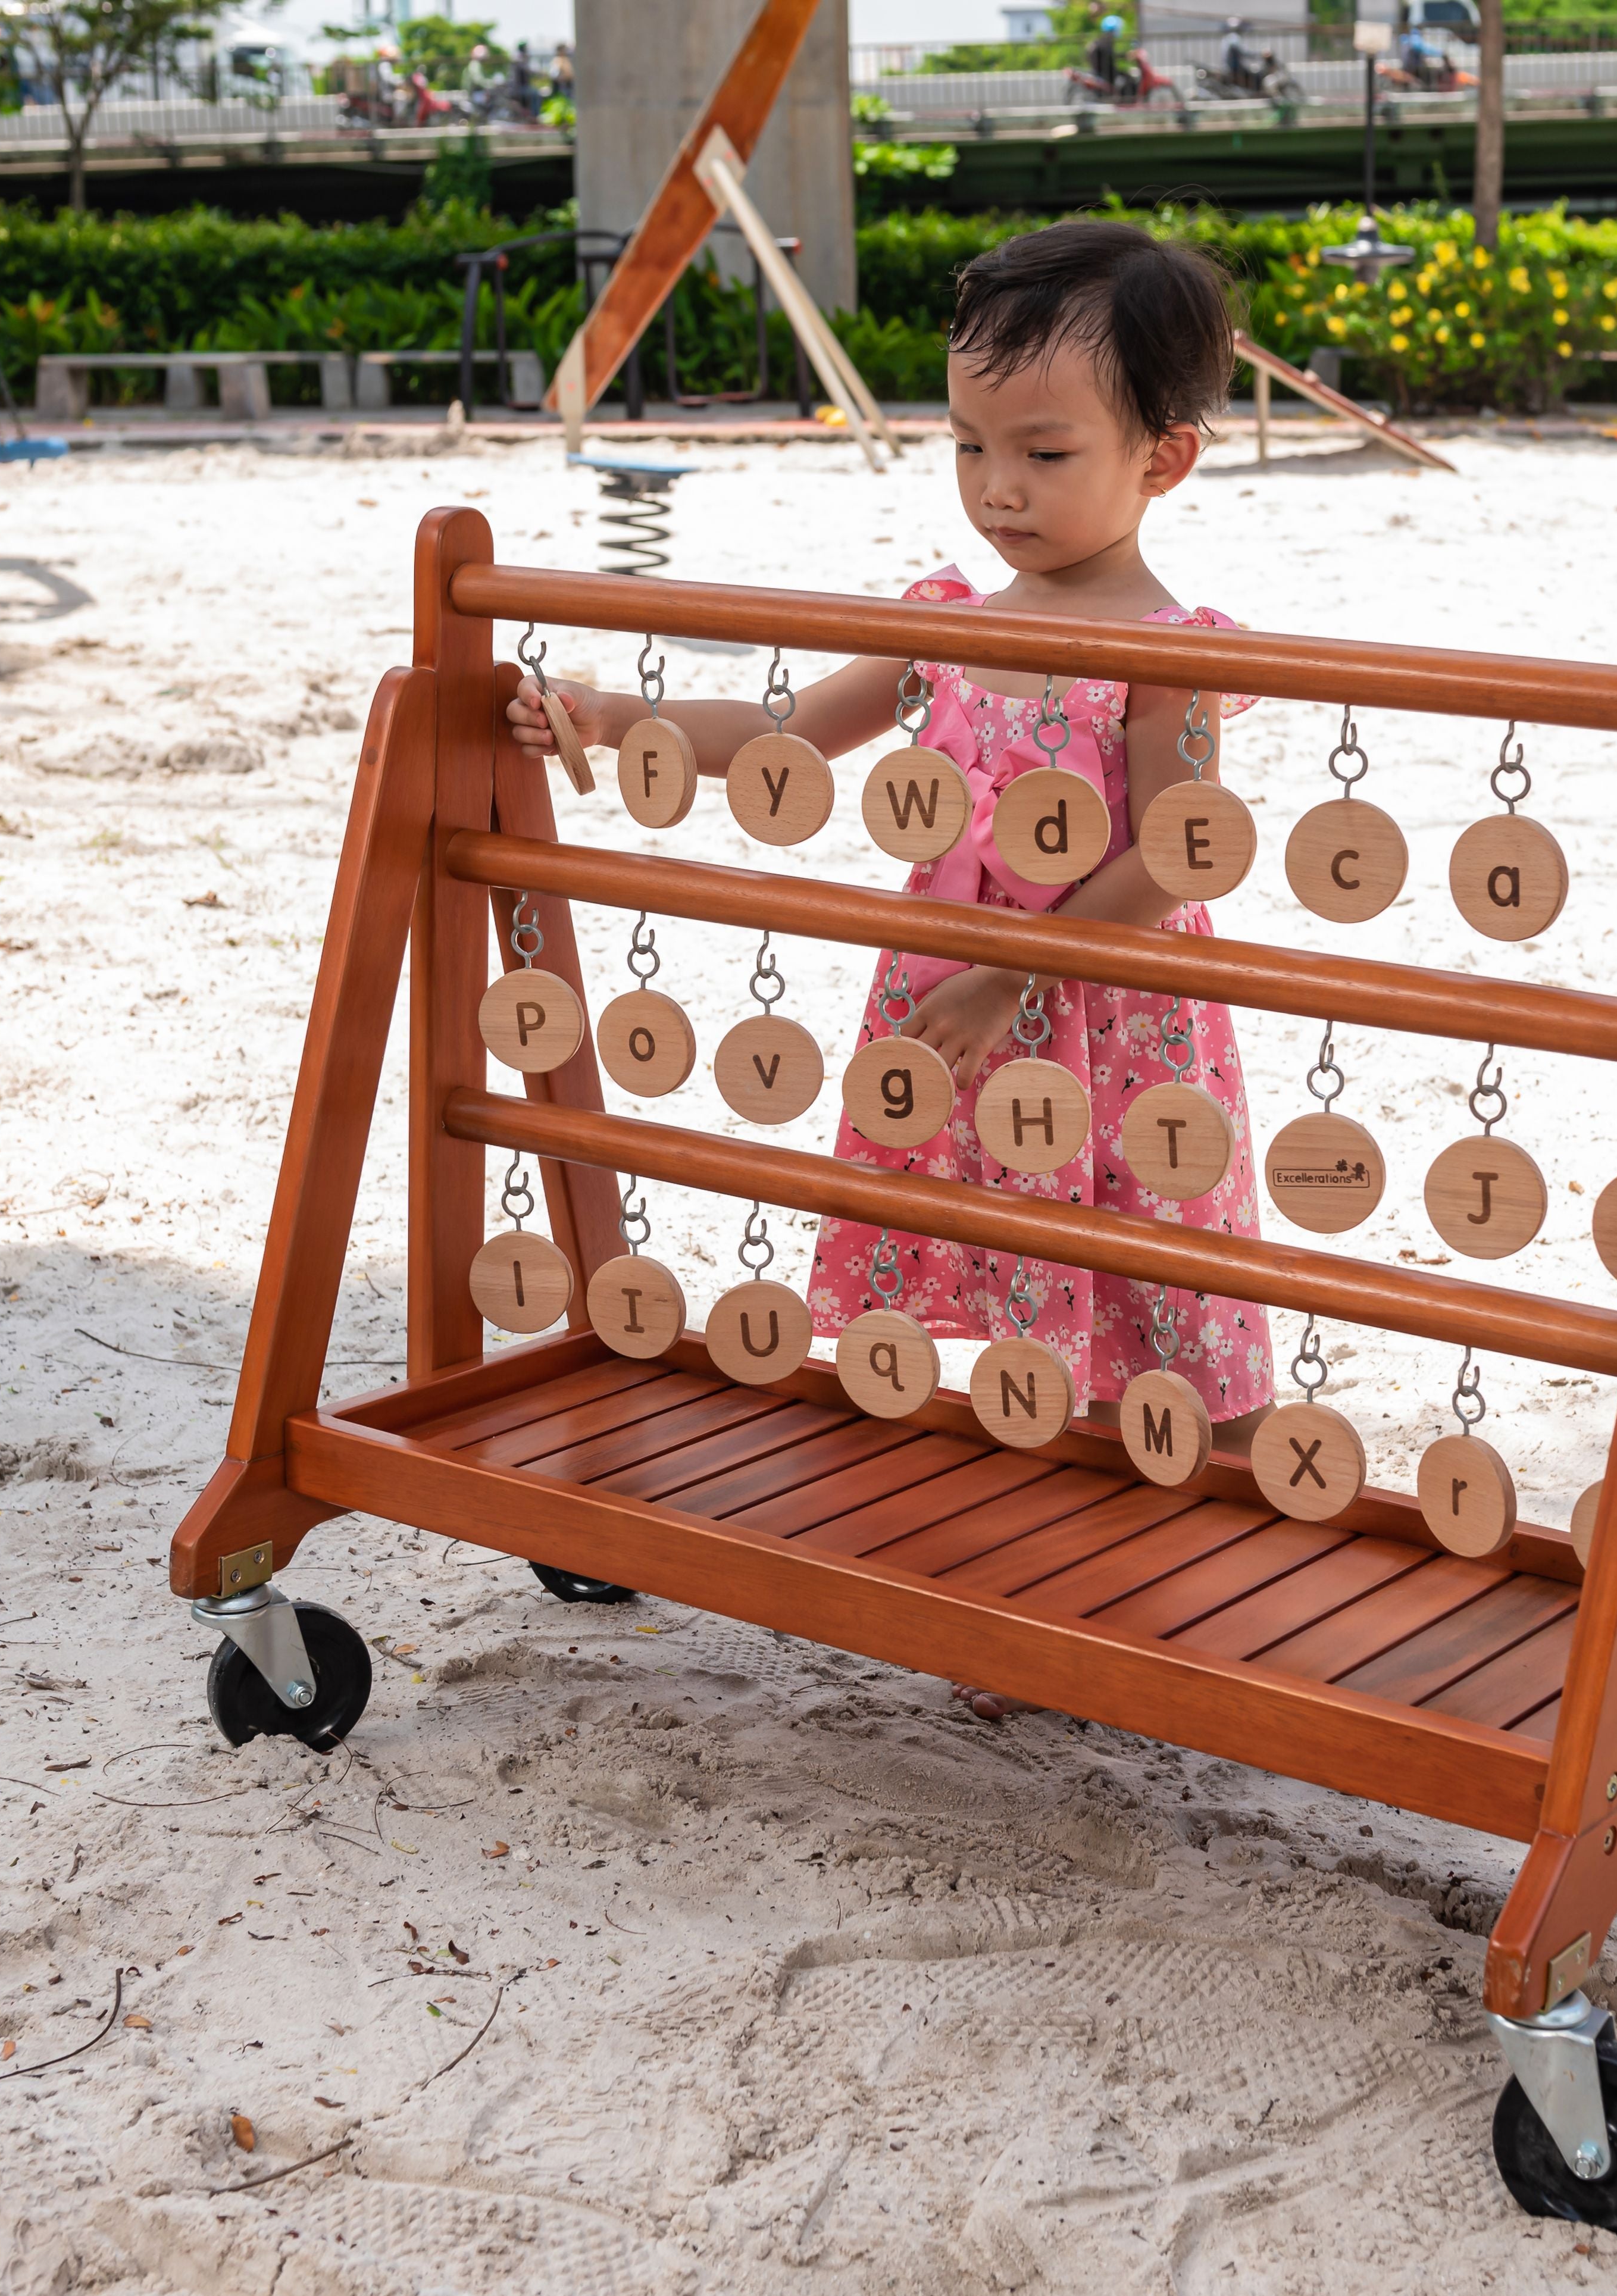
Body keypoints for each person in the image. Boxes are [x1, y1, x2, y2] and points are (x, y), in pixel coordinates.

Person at [505, 223, 1275, 1717]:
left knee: (1164, 1291)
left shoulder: (1163, 649)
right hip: (945, 1008)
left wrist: (1012, 973)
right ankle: (1045, 1556)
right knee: (995, 1271)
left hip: (1110, 1022)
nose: (1000, 489)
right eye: (972, 446)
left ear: (1162, 461)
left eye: (1045, 455)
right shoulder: (941, 620)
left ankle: (1241, 1579)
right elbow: (788, 736)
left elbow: (1182, 849)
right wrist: (609, 712)